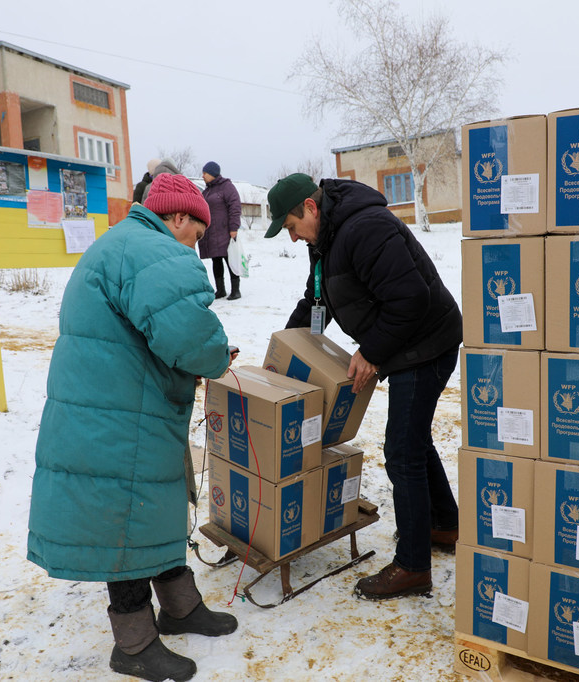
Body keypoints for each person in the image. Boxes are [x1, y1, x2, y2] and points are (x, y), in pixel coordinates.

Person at [27, 173, 239, 682]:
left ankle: (180, 607)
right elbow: (186, 331)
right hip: (117, 413)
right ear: (180, 218)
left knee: (151, 508)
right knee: (125, 520)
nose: (197, 243)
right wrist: (213, 357)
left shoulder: (125, 241)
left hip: (119, 402)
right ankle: (135, 644)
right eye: (196, 232)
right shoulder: (152, 249)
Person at [264, 173, 462, 600]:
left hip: (427, 344)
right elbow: (316, 301)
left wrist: (371, 351)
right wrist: (281, 353)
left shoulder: (364, 228)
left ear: (311, 208)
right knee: (413, 439)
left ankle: (413, 567)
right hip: (408, 345)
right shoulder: (325, 242)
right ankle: (444, 525)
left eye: (292, 227)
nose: (294, 239)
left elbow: (411, 297)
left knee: (402, 451)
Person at [199, 161, 242, 300]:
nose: (203, 176)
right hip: (211, 233)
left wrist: (234, 227)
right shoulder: (207, 191)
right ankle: (220, 290)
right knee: (216, 261)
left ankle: (236, 290)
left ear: (212, 173)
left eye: (205, 173)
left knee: (230, 260)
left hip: (225, 232)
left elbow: (235, 207)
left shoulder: (227, 187)